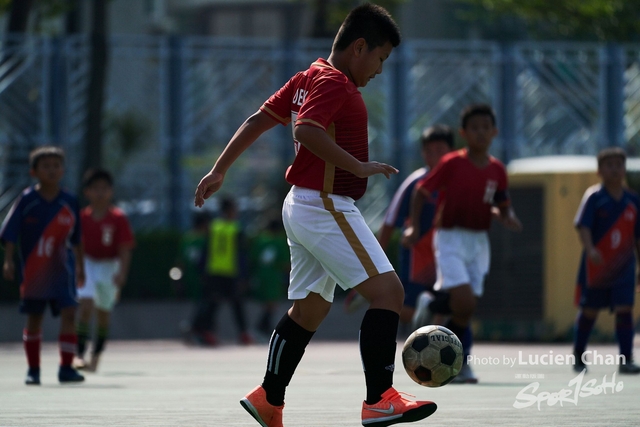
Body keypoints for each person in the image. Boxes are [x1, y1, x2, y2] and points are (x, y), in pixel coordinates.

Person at [194, 4, 438, 427]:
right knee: (389, 295)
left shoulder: (308, 76)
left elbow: (258, 119)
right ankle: (379, 398)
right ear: (359, 47)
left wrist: (220, 169)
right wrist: (358, 167)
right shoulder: (336, 83)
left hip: (302, 205)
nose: (379, 70)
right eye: (380, 58)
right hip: (325, 204)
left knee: (308, 310)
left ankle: (269, 398)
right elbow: (305, 130)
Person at [403, 104, 522, 384]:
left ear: (494, 132)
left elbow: (502, 204)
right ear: (463, 133)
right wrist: (414, 227)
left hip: (479, 241)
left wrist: (507, 217)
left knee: (466, 307)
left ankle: (433, 306)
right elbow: (421, 192)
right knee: (465, 302)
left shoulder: (497, 170)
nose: (480, 133)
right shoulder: (452, 163)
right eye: (474, 128)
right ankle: (459, 360)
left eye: (485, 127)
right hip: (450, 237)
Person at [345, 125, 454, 330]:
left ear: (452, 151)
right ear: (423, 154)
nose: (435, 156)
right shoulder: (415, 182)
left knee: (448, 303)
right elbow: (389, 223)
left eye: (441, 150)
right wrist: (373, 265)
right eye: (429, 152)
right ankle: (375, 298)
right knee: (407, 313)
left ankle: (435, 340)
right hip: (418, 256)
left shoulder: (458, 180)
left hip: (448, 253)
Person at [0, 146, 85, 385]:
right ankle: (33, 370)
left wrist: (80, 266)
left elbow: (77, 238)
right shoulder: (27, 200)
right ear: (33, 171)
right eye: (45, 166)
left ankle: (66, 367)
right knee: (34, 317)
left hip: (63, 271)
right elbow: (10, 233)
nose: (51, 170)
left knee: (70, 313)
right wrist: (8, 261)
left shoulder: (69, 200)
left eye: (56, 165)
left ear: (63, 170)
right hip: (34, 271)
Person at [572, 147, 640, 374]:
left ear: (624, 169)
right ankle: (579, 354)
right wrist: (590, 249)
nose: (614, 169)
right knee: (590, 310)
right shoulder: (594, 197)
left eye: (618, 164)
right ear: (599, 170)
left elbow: (637, 236)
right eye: (609, 165)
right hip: (597, 266)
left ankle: (626, 359)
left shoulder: (633, 200)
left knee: (624, 309)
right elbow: (584, 226)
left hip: (624, 267)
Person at [73, 168, 135, 372]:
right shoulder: (82, 218)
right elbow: (77, 247)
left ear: (111, 191)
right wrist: (79, 269)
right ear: (87, 192)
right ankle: (79, 354)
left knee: (103, 314)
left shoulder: (118, 218)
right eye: (95, 188)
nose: (100, 193)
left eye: (104, 188)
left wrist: (122, 273)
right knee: (86, 305)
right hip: (88, 263)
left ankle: (96, 357)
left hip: (109, 265)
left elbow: (124, 248)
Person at [190, 196, 253, 346]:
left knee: (212, 304)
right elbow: (241, 255)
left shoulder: (213, 226)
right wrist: (244, 276)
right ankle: (243, 333)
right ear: (229, 210)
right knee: (236, 305)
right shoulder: (236, 228)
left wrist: (202, 270)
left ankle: (206, 332)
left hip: (214, 272)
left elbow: (205, 251)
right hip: (231, 273)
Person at [250, 218, 290, 337]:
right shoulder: (279, 241)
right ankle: (262, 328)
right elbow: (285, 263)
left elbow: (253, 258)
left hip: (261, 275)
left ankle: (264, 327)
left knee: (266, 303)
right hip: (273, 276)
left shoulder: (260, 240)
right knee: (272, 303)